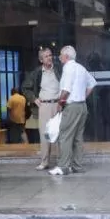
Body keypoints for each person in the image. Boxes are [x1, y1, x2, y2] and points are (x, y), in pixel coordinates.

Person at [49, 46, 96, 176]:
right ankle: (77, 166)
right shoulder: (81, 68)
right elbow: (92, 83)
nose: (59, 57)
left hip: (72, 106)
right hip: (82, 106)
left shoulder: (68, 67)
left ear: (67, 57)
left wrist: (60, 103)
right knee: (78, 137)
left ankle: (63, 166)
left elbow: (66, 89)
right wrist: (82, 96)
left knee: (64, 135)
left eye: (61, 55)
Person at [22, 47, 62, 170]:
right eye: (46, 56)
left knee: (59, 134)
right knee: (45, 135)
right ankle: (44, 162)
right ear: (41, 60)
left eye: (50, 55)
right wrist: (34, 99)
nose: (49, 58)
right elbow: (25, 87)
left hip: (58, 105)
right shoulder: (37, 73)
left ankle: (61, 162)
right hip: (44, 105)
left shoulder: (58, 69)